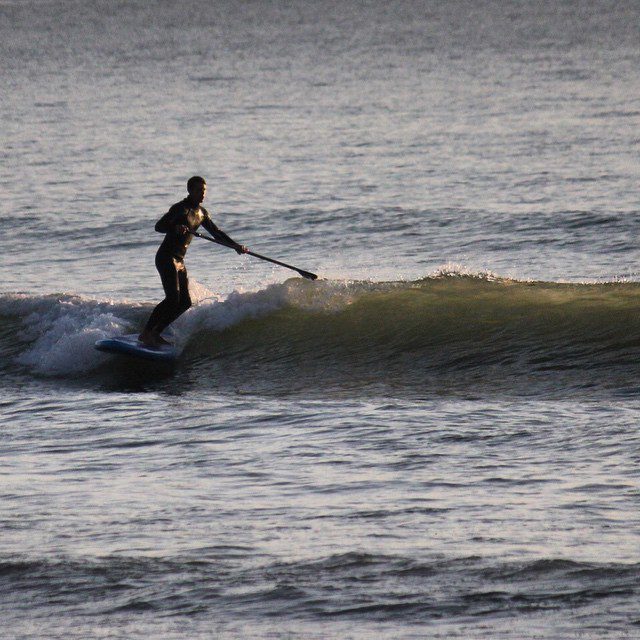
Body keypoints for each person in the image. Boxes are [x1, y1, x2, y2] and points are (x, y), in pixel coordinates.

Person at [138, 176, 247, 346]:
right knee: (172, 298)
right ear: (190, 191)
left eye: (204, 191)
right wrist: (175, 227)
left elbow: (216, 233)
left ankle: (155, 332)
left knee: (185, 302)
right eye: (198, 191)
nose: (202, 194)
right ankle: (146, 333)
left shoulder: (202, 213)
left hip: (179, 261)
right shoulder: (180, 209)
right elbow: (158, 226)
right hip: (166, 257)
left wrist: (235, 246)